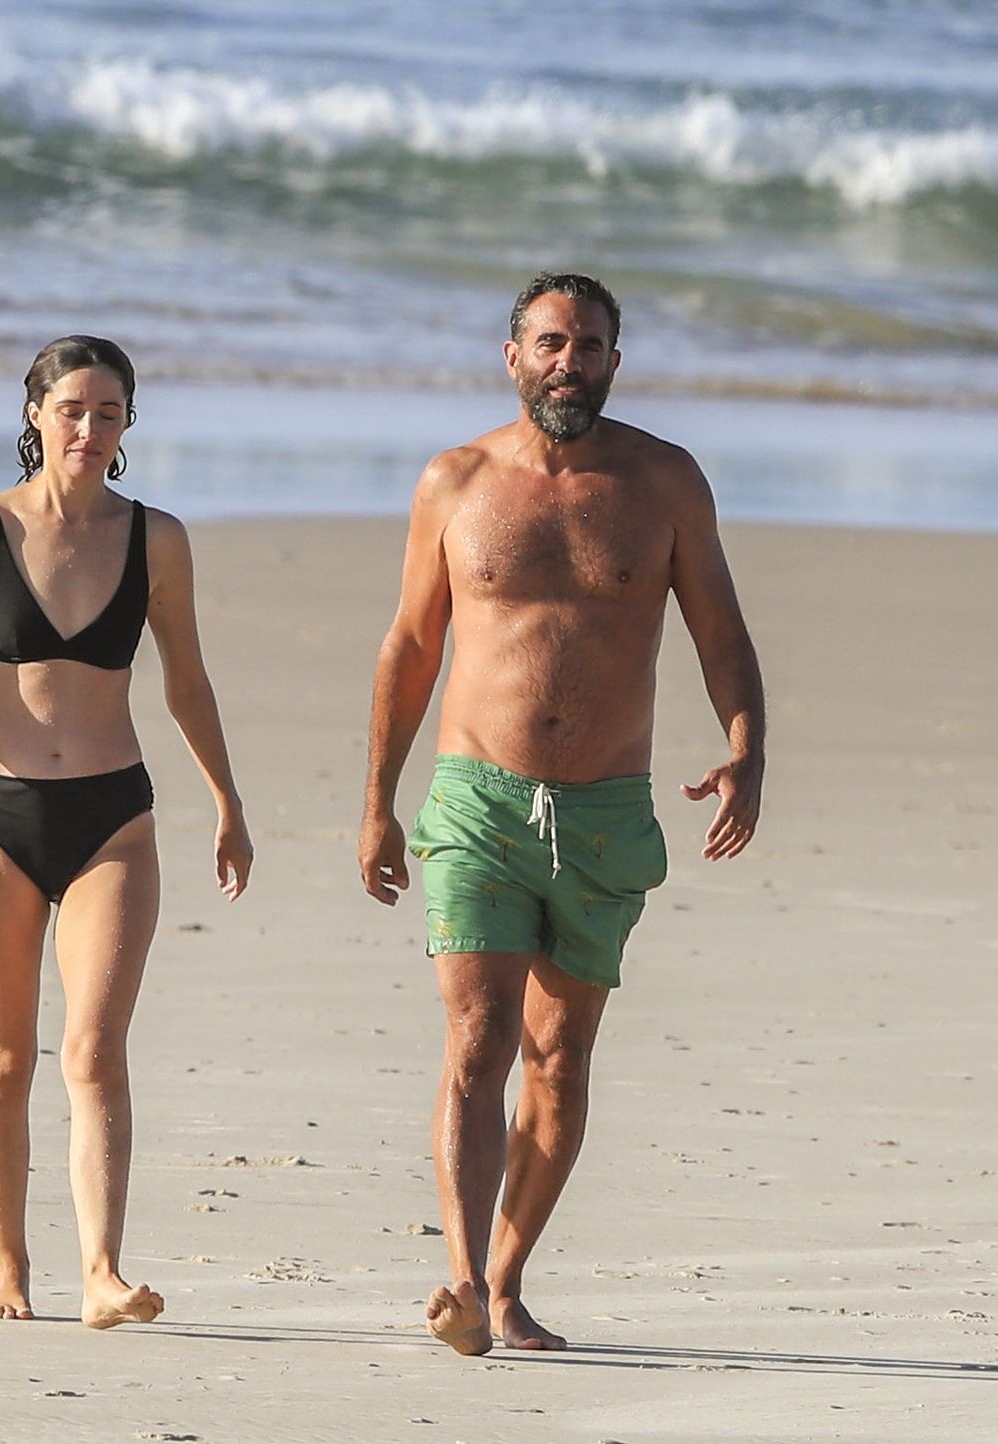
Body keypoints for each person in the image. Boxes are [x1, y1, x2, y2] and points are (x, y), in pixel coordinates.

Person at [357, 273, 766, 1356]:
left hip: (605, 811)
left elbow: (721, 629)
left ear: (614, 362)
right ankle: (459, 1279)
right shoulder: (455, 481)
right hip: (476, 801)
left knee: (559, 1056)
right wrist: (378, 804)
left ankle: (504, 1281)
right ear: (513, 356)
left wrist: (746, 750)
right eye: (549, 343)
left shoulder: (665, 482)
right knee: (479, 1038)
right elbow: (411, 646)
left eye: (588, 346)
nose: (567, 363)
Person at [0, 335, 253, 1329]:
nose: (89, 428)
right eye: (72, 410)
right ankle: (8, 1267)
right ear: (35, 415)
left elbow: (186, 681)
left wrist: (227, 800)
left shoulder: (156, 539)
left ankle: (101, 1272)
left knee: (93, 1051)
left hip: (111, 820)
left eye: (108, 412)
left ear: (128, 423)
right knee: (3, 1058)